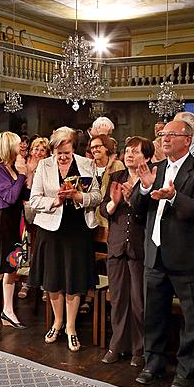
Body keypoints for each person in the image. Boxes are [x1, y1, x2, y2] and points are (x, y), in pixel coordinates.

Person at [131, 119, 194, 387]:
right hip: (155, 254)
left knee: (192, 318)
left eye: (171, 135)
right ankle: (153, 362)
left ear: (187, 140)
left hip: (187, 257)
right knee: (154, 314)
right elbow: (139, 210)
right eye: (163, 135)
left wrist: (174, 196)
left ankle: (186, 368)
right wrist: (144, 188)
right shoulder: (156, 169)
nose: (164, 139)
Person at [27, 127, 102, 352]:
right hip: (51, 230)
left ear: (73, 148)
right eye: (58, 152)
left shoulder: (87, 164)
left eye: (66, 153)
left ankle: (71, 327)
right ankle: (57, 322)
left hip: (78, 230)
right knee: (53, 280)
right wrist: (55, 201)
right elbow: (34, 200)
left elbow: (97, 196)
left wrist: (80, 196)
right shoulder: (44, 165)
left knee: (73, 281)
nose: (62, 157)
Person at [99, 136, 155, 367]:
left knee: (139, 302)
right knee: (119, 299)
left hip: (140, 247)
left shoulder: (150, 180)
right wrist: (114, 202)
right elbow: (104, 209)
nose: (130, 154)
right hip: (116, 245)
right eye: (127, 150)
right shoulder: (115, 177)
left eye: (136, 151)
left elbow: (150, 214)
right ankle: (117, 345)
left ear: (148, 157)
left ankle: (139, 349)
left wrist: (133, 199)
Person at [0, 132, 29, 342]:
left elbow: (22, 196)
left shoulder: (12, 169)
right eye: (18, 146)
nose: (22, 149)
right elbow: (10, 197)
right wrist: (21, 175)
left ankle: (8, 312)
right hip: (3, 222)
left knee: (12, 268)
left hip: (16, 223)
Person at [82, 133, 124, 313]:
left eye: (99, 146)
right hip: (90, 218)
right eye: (92, 147)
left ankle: (110, 297)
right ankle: (88, 294)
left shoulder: (117, 166)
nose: (95, 150)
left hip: (108, 219)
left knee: (109, 261)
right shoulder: (88, 165)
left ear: (107, 147)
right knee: (88, 257)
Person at [18, 136, 50, 300]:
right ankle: (27, 282)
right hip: (27, 206)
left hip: (44, 209)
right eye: (36, 149)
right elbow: (25, 188)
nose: (38, 152)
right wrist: (29, 172)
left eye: (42, 150)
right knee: (29, 245)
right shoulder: (24, 164)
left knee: (41, 245)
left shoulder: (48, 167)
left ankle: (45, 284)